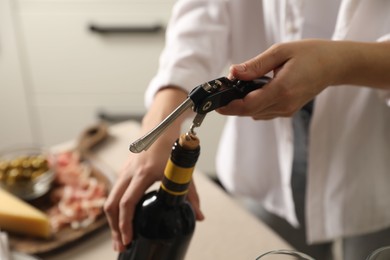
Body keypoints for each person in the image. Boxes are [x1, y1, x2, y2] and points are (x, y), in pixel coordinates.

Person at [104, 1, 390, 259]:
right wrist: (161, 124)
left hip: (378, 164)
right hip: (268, 164)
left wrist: (338, 63)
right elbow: (201, 15)